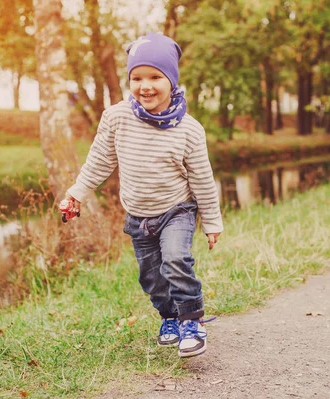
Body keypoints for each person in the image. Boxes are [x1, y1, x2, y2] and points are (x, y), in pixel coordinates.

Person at [60, 32, 223, 358]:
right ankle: (169, 318)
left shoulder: (189, 129)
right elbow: (100, 159)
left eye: (155, 77)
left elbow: (203, 178)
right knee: (151, 278)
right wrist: (78, 193)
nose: (145, 85)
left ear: (172, 80)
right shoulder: (118, 117)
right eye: (137, 77)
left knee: (176, 260)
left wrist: (212, 220)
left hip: (177, 209)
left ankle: (192, 321)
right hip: (137, 215)